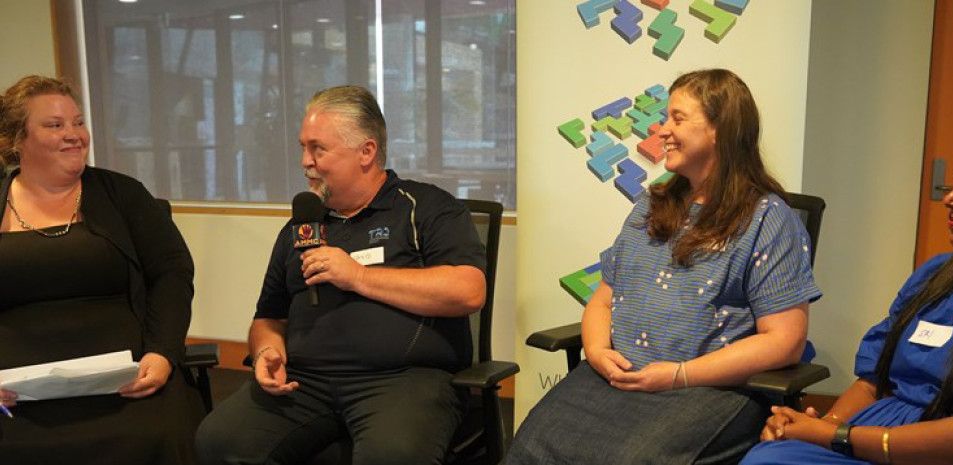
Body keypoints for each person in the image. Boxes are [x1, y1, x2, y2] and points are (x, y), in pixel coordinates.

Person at [504, 69, 822, 465]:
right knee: (531, 447)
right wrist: (598, 350)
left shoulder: (768, 220)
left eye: (678, 118)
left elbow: (784, 340)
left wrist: (677, 375)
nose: (662, 130)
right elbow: (604, 300)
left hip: (706, 388)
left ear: (720, 130)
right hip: (615, 377)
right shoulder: (651, 206)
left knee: (630, 459)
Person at [195, 85, 488, 465]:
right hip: (305, 383)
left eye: (318, 149)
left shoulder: (426, 208)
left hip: (403, 380)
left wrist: (359, 277)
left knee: (391, 456)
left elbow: (468, 290)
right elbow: (268, 317)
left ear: (366, 151)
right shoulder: (301, 227)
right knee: (218, 441)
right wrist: (267, 350)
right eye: (303, 147)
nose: (305, 161)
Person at [740, 124, 953, 464]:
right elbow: (871, 382)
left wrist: (835, 437)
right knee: (770, 454)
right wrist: (818, 425)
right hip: (864, 437)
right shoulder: (936, 275)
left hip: (936, 451)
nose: (950, 196)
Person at [0, 76, 201, 463]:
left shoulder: (124, 195)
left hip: (127, 379)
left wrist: (162, 354)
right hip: (14, 390)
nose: (74, 135)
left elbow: (172, 275)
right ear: (16, 140)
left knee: (163, 435)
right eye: (55, 125)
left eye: (77, 122)